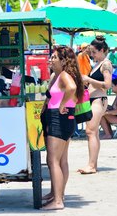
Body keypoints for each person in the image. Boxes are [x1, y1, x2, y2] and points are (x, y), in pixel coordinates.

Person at [41, 46, 84, 210]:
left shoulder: (64, 76)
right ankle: (57, 194)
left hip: (59, 118)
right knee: (61, 160)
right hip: (65, 118)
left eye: (54, 57)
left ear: (64, 61)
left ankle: (58, 200)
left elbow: (71, 88)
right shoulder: (59, 75)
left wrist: (62, 104)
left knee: (53, 160)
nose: (51, 59)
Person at [78, 36, 112, 174]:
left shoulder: (105, 64)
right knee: (94, 133)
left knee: (90, 131)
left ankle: (91, 165)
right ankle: (93, 164)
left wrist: (88, 79)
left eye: (94, 52)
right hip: (94, 99)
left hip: (99, 99)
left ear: (102, 50)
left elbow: (107, 84)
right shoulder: (98, 64)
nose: (92, 55)